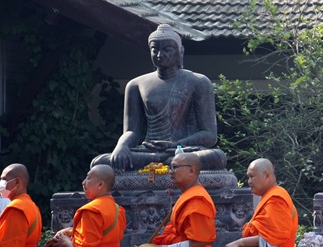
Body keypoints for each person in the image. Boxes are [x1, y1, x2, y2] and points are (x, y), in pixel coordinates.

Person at [92, 24, 226, 171]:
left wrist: (176, 145)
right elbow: (132, 131)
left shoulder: (198, 82)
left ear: (180, 52)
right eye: (155, 50)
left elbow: (210, 135)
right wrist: (121, 146)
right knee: (100, 162)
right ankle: (165, 161)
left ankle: (168, 161)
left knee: (216, 157)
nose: (160, 55)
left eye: (167, 50)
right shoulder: (136, 84)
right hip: (149, 151)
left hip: (184, 150)